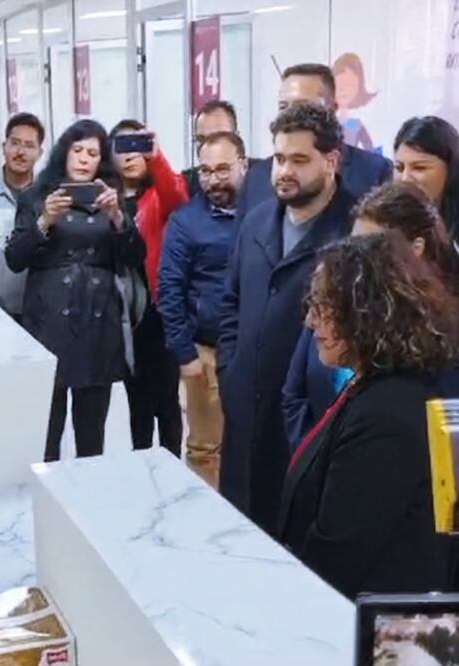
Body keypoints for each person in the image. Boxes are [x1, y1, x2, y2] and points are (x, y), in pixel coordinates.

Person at [279, 232, 458, 599]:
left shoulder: (387, 415)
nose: (311, 322)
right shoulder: (375, 384)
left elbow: (339, 554)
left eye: (323, 306)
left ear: (367, 313)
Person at [218, 103, 357, 535]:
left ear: (330, 160)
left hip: (308, 421)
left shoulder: (354, 233)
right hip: (245, 413)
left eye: (299, 160)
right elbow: (231, 302)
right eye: (279, 158)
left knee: (294, 544)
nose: (284, 171)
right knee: (237, 533)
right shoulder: (258, 220)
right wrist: (230, 368)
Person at [5, 119, 143, 461]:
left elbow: (135, 256)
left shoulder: (112, 197)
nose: (83, 159)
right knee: (48, 434)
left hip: (98, 323)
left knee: (91, 437)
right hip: (48, 322)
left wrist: (117, 218)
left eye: (93, 153)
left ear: (101, 160)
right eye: (77, 150)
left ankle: (89, 503)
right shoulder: (37, 196)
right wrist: (45, 221)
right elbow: (14, 259)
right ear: (64, 153)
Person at [283, 183, 459, 447]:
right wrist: (317, 456)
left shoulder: (439, 328)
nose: (356, 261)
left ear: (415, 248)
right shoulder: (333, 300)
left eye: (371, 249)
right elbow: (294, 393)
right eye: (354, 244)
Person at [158, 131, 249, 487]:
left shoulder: (265, 212)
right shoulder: (186, 221)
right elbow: (169, 291)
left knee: (251, 443)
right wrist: (185, 354)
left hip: (252, 350)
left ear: (244, 165)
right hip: (205, 353)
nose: (214, 180)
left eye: (223, 170)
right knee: (205, 448)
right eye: (206, 171)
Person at [110, 120, 188, 456]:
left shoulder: (161, 193)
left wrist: (157, 158)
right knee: (136, 399)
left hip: (159, 310)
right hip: (124, 313)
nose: (129, 156)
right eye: (121, 148)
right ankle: (141, 464)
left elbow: (178, 195)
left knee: (167, 399)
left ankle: (171, 463)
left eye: (136, 147)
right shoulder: (105, 197)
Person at [236, 63, 391, 218]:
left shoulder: (375, 172)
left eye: (303, 107)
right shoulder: (255, 178)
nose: (291, 115)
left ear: (333, 108)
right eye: (283, 107)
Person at [0, 113, 46, 318]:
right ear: (4, 147)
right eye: (15, 143)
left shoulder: (47, 195)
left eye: (29, 145)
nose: (20, 152)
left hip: (36, 308)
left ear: (40, 153)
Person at [393, 116, 459, 241]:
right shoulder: (381, 224)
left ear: (451, 169)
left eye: (419, 168)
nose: (405, 179)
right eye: (399, 168)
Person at [181, 100, 260, 197]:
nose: (209, 147)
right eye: (202, 140)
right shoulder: (187, 185)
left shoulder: (266, 176)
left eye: (218, 137)